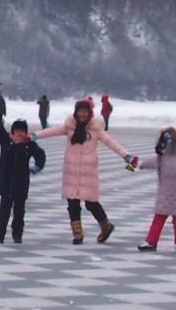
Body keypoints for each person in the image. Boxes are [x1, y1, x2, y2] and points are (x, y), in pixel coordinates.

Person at [35, 96, 132, 244]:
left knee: (91, 203)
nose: (82, 114)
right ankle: (77, 234)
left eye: (85, 111)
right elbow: (51, 131)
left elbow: (111, 142)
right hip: (71, 172)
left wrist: (126, 155)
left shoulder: (95, 129)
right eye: (80, 111)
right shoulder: (70, 127)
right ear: (76, 112)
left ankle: (106, 227)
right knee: (72, 203)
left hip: (88, 172)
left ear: (90, 112)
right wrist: (34, 136)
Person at [0, 102, 45, 244]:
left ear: (25, 132)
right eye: (17, 130)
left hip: (21, 183)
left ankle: (17, 234)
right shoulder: (6, 141)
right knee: (4, 211)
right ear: (13, 131)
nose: (19, 133)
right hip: (6, 182)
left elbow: (40, 154)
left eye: (22, 131)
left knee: (19, 211)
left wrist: (37, 166)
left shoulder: (29, 144)